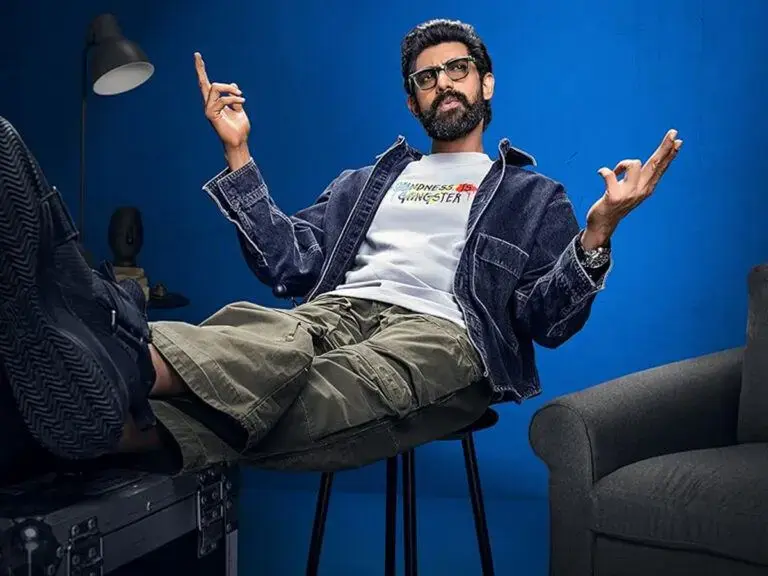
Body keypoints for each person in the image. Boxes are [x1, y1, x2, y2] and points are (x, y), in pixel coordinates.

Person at [0, 19, 682, 479]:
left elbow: (545, 322)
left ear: (486, 82)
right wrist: (238, 154)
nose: (443, 84)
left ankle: (113, 366)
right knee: (264, 337)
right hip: (337, 310)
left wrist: (599, 232)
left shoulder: (534, 196)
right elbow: (289, 265)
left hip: (442, 336)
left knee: (336, 387)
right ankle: (115, 410)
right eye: (426, 78)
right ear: (412, 102)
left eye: (457, 70)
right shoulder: (366, 183)